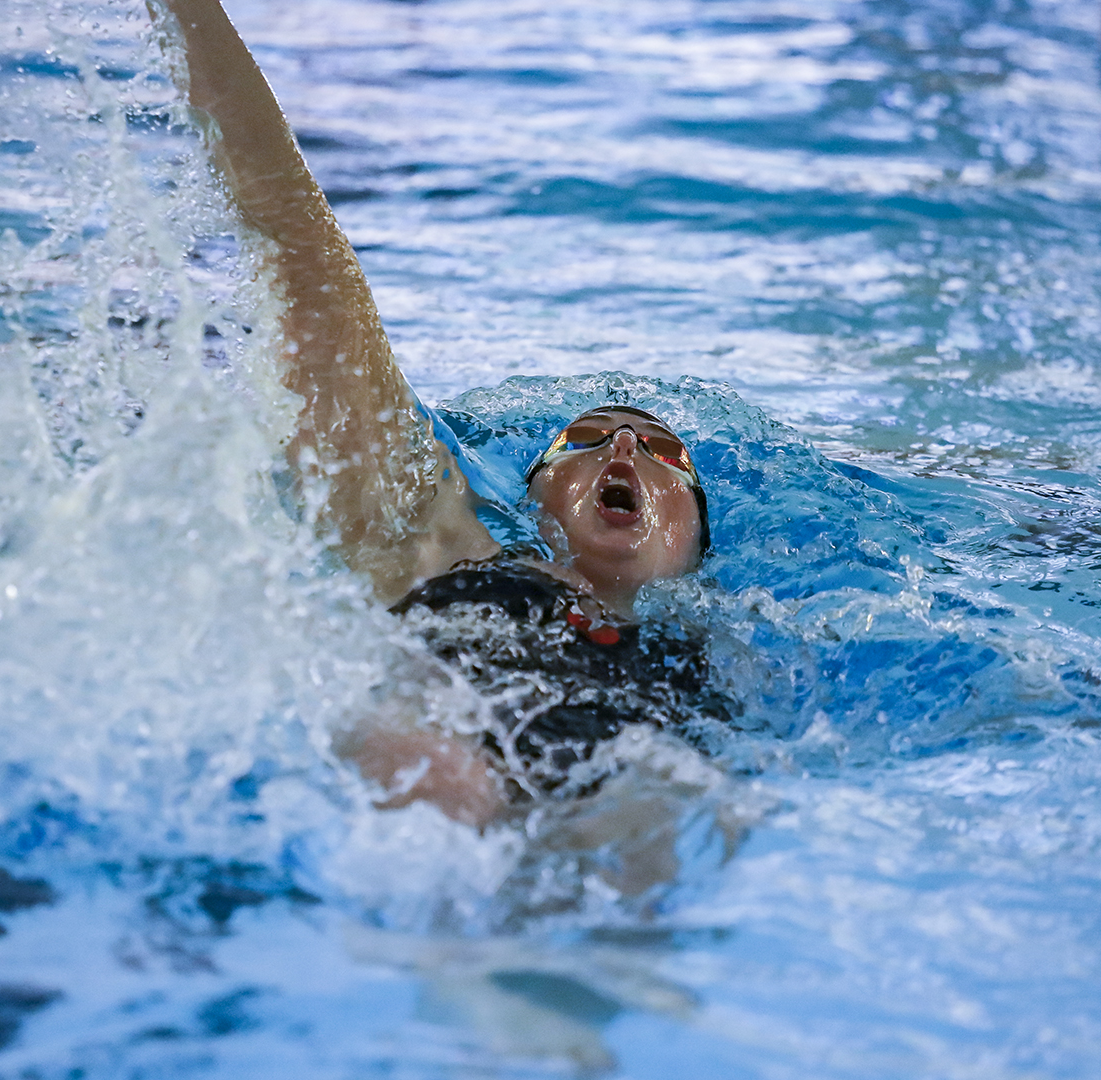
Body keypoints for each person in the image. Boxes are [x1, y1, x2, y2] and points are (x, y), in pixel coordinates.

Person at [153, 0, 722, 828]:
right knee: (436, 769)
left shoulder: (732, 656)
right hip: (435, 776)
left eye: (666, 453)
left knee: (674, 811)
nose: (626, 444)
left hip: (627, 805)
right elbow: (299, 252)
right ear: (536, 503)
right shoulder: (440, 545)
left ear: (697, 541)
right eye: (584, 441)